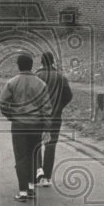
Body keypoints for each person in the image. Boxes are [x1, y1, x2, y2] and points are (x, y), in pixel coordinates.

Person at [0, 53, 52, 201]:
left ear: (18, 65)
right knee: (33, 155)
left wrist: (11, 115)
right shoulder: (41, 84)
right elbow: (47, 107)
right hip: (36, 125)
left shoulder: (12, 82)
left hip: (19, 125)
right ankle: (31, 188)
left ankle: (22, 192)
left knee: (21, 157)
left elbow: (2, 103)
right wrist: (47, 126)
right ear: (31, 65)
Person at [34, 51, 73, 188]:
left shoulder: (36, 77)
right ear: (52, 62)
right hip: (55, 117)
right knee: (50, 146)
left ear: (41, 62)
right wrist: (59, 107)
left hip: (38, 117)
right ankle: (47, 177)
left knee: (36, 144)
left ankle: (38, 173)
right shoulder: (61, 78)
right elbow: (68, 95)